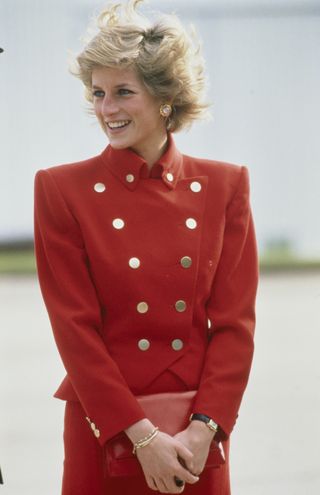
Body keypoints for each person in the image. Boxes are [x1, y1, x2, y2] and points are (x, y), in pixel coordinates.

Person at [33, 1, 258, 494]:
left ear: (165, 98)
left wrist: (204, 428)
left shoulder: (225, 186)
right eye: (97, 93)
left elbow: (234, 325)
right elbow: (74, 330)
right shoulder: (60, 189)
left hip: (196, 432)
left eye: (122, 92)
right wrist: (140, 436)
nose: (106, 109)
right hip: (108, 425)